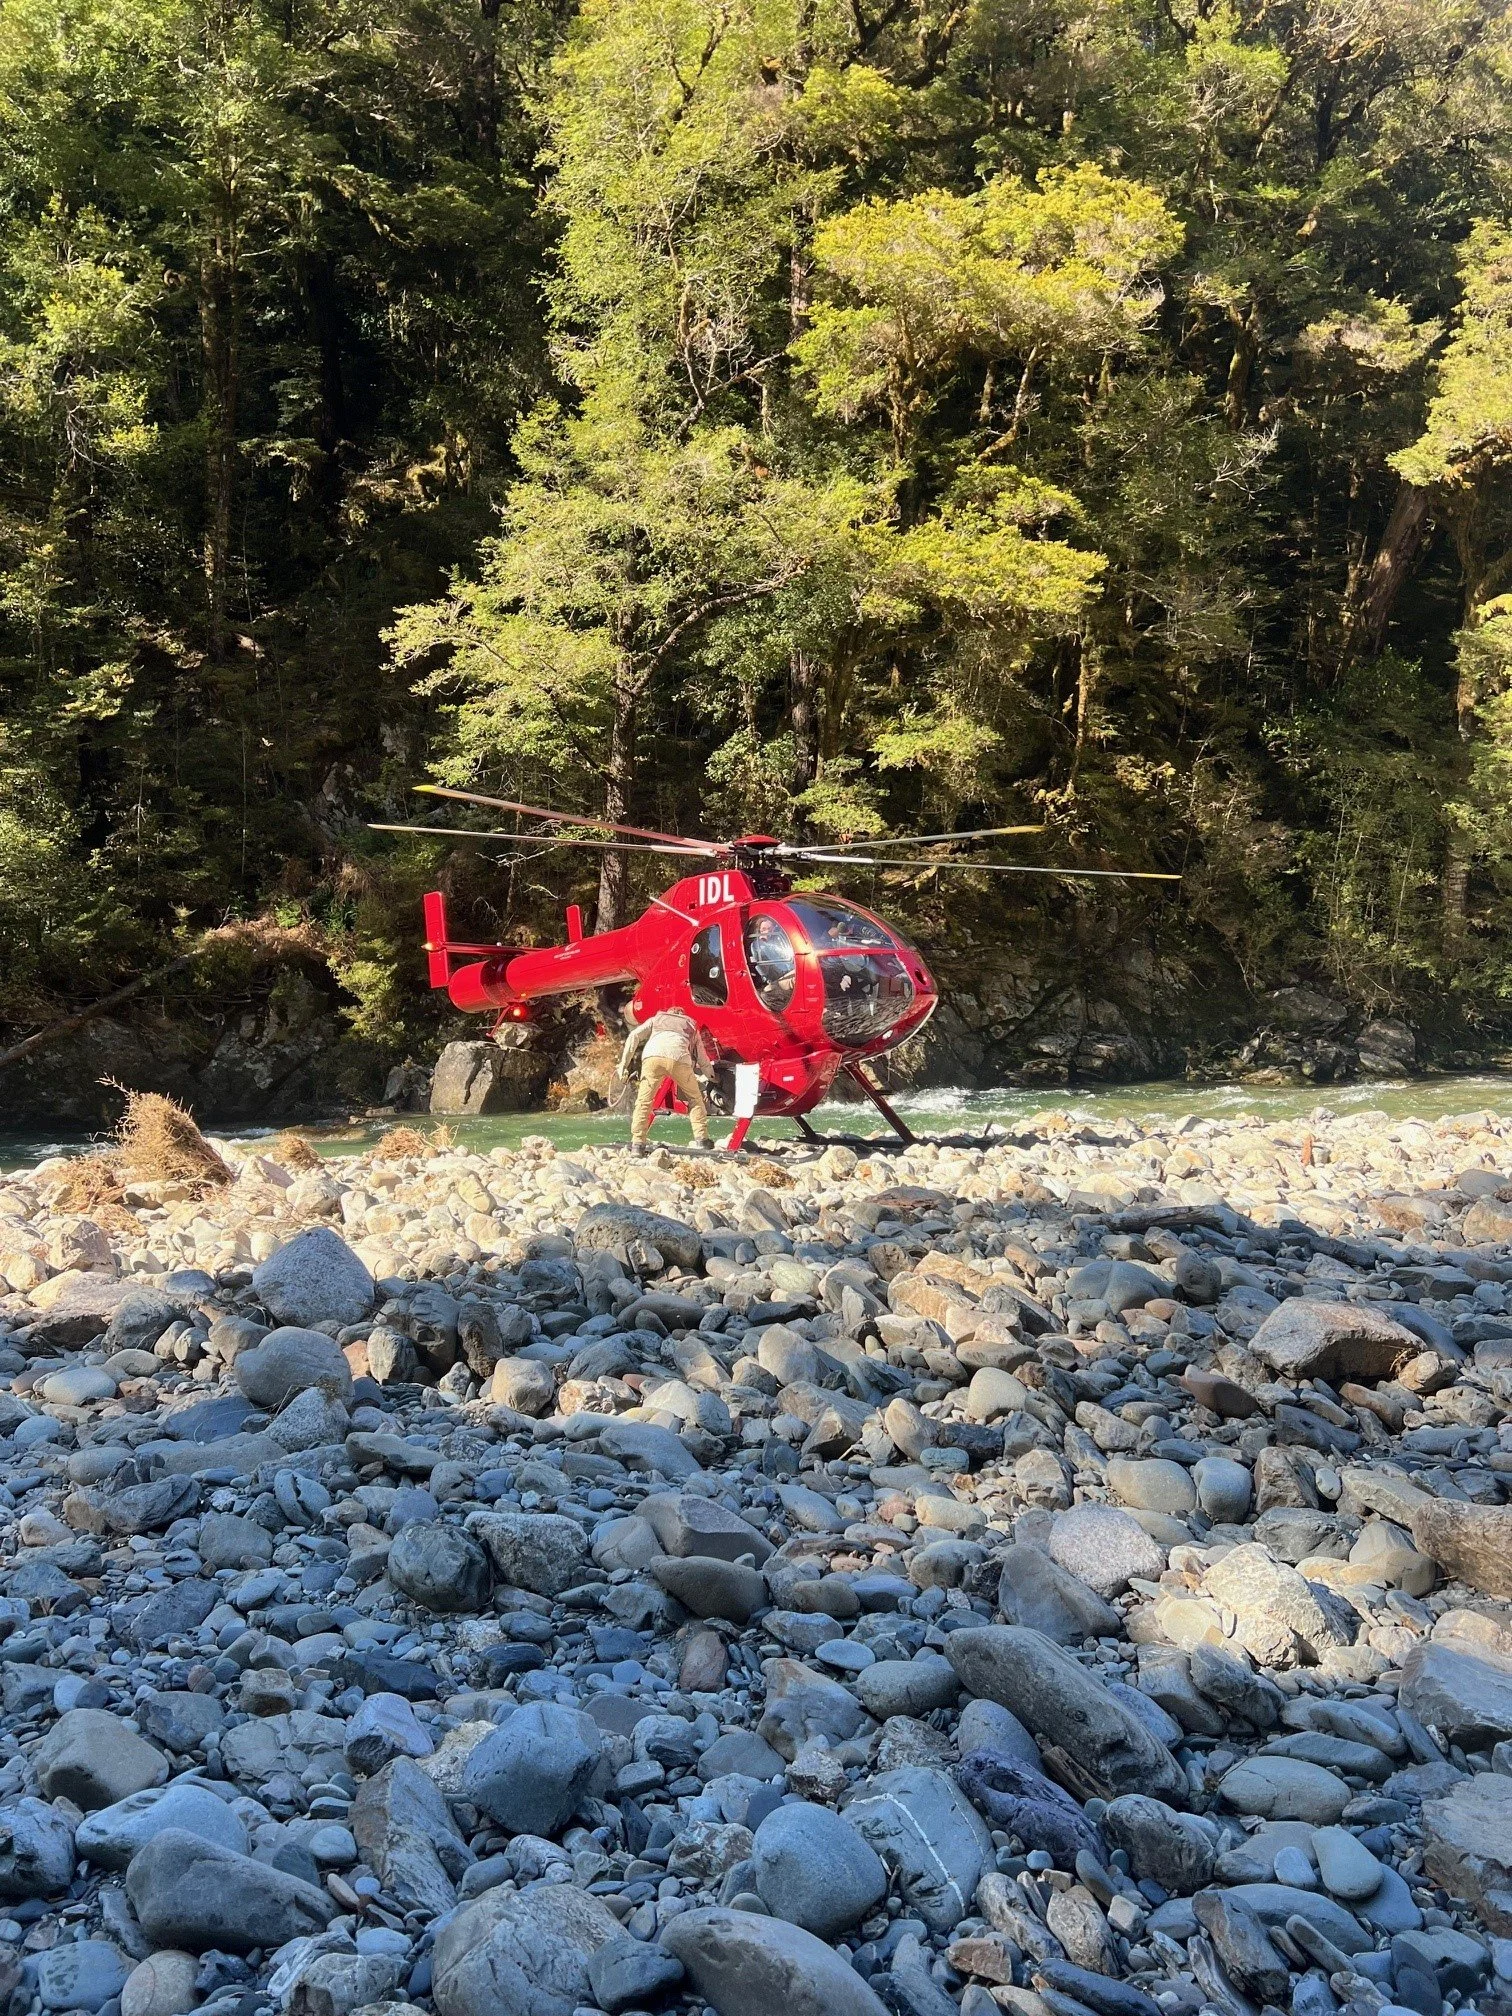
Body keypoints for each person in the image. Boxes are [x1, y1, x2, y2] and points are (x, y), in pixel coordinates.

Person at [618, 1006, 713, 1148]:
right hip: (679, 1058)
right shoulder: (691, 1025)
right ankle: (702, 1139)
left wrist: (623, 1065)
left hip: (652, 1057)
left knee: (644, 1101)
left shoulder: (657, 1018)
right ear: (682, 1014)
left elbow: (634, 1036)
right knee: (695, 1099)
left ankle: (637, 1143)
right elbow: (702, 1058)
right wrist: (712, 1076)